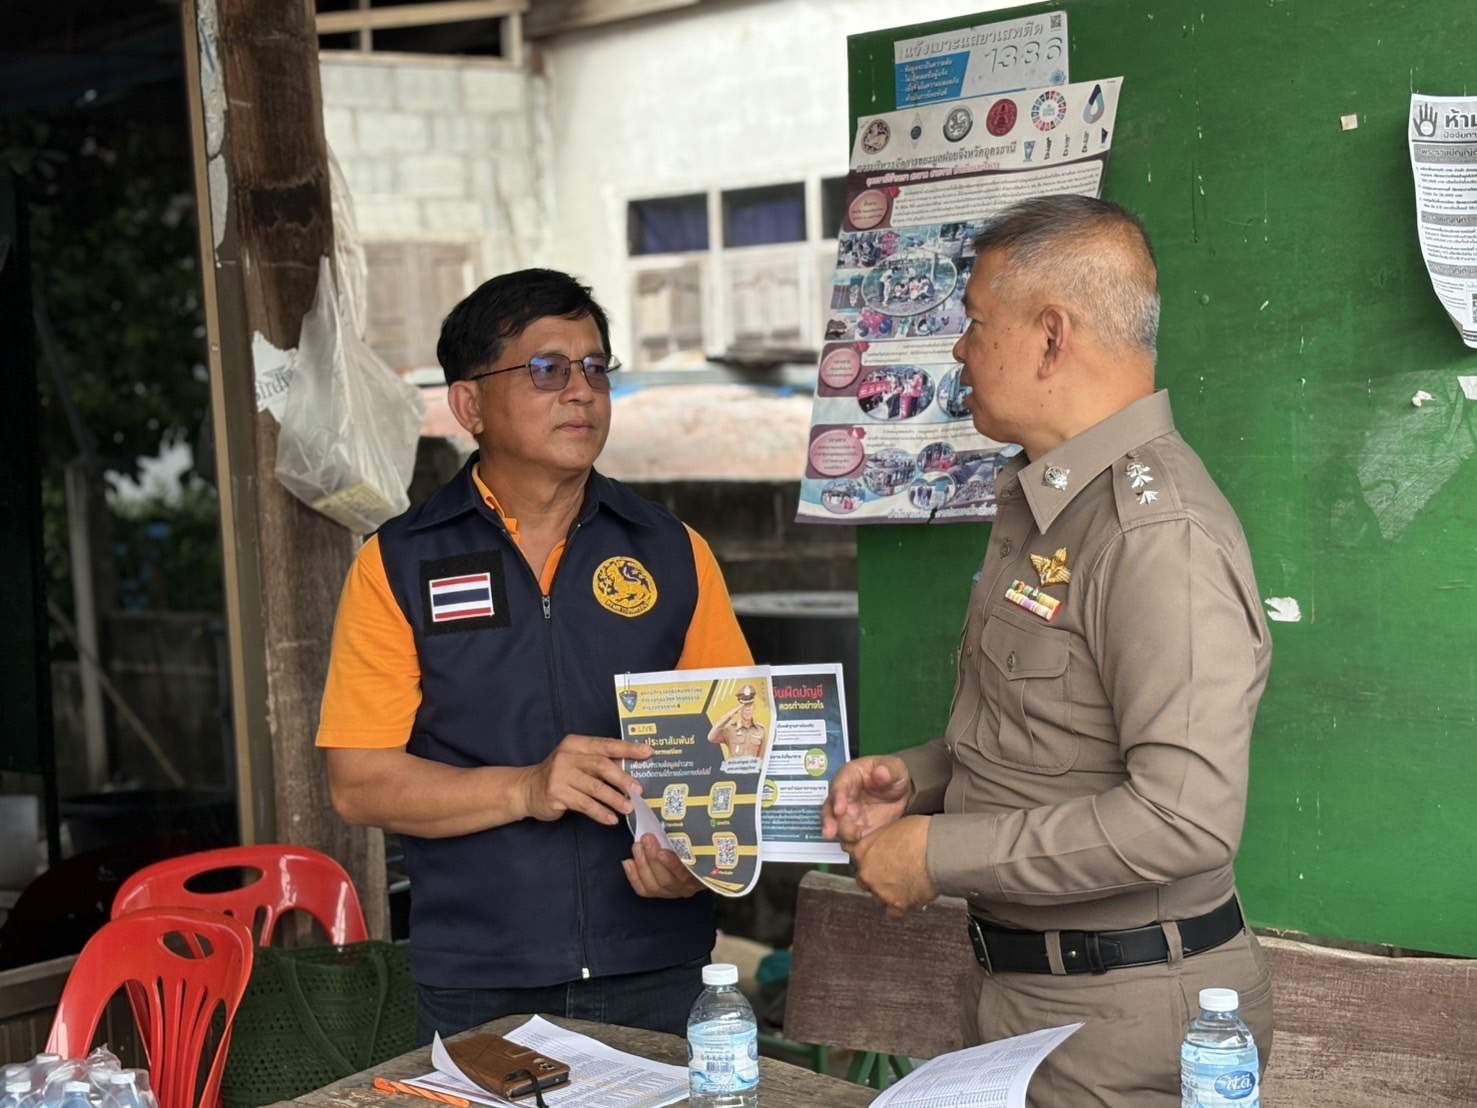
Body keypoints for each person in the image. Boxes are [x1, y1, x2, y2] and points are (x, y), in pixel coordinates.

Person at [822, 196, 1274, 1107]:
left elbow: (1183, 819)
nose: (959, 349)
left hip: (1123, 1022)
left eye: (975, 322)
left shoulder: (1156, 534)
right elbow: (1045, 731)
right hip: (1025, 999)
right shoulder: (1056, 504)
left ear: (1050, 337)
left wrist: (935, 854)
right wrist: (919, 780)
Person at [317, 268, 753, 1045]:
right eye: (547, 369)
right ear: (469, 405)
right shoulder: (400, 563)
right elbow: (359, 783)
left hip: (656, 962)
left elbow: (739, 744)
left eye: (595, 368)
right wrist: (525, 788)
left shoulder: (671, 551)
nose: (581, 392)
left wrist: (703, 861)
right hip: (480, 977)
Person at [706, 683, 766, 760]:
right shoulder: (730, 729)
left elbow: (762, 758)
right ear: (739, 708)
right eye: (744, 705)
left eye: (750, 705)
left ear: (754, 707)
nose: (747, 709)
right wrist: (731, 714)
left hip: (753, 767)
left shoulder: (761, 730)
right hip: (734, 767)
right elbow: (711, 737)